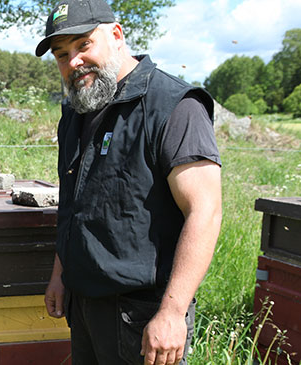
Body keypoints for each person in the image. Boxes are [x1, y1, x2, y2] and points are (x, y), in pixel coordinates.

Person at [35, 1, 222, 364]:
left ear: (116, 35)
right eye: (62, 54)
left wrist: (172, 313)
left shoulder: (173, 106)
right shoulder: (76, 112)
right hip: (85, 303)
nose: (73, 61)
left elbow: (205, 211)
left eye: (83, 45)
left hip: (144, 314)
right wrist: (61, 273)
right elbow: (76, 203)